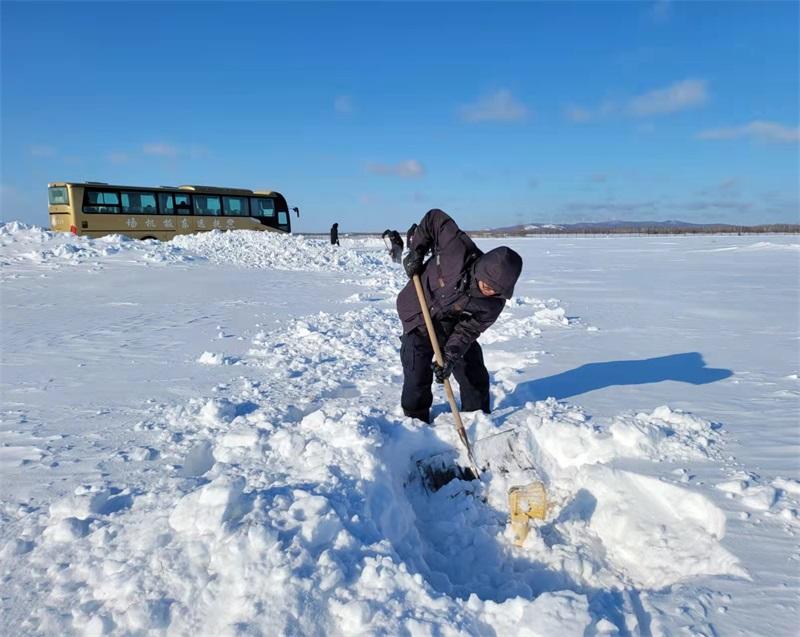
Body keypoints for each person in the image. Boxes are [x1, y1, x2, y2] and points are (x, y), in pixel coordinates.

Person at [396, 209, 523, 423]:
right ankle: (416, 423)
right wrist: (417, 251)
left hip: (453, 323)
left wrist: (450, 356)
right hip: (418, 311)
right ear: (481, 270)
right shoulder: (457, 250)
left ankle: (477, 418)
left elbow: (468, 330)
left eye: (496, 290)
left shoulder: (493, 304)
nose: (489, 291)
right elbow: (434, 218)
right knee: (417, 372)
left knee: (472, 369)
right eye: (487, 285)